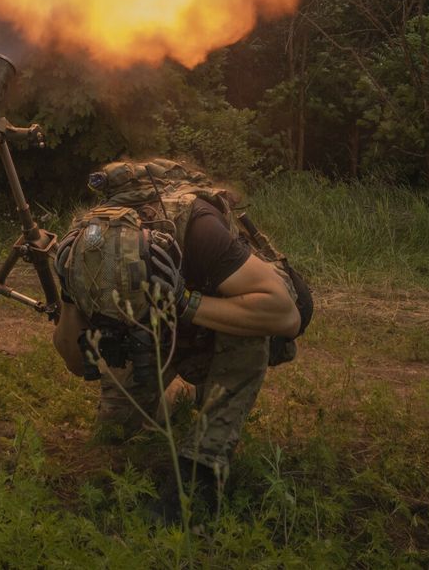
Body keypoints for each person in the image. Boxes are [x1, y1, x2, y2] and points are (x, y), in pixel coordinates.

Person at [51, 159, 309, 522]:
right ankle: (181, 394)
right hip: (158, 335)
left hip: (214, 326)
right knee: (114, 427)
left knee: (249, 335)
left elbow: (285, 314)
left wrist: (183, 302)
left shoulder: (197, 226)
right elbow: (76, 362)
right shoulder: (84, 253)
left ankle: (203, 464)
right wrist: (68, 293)